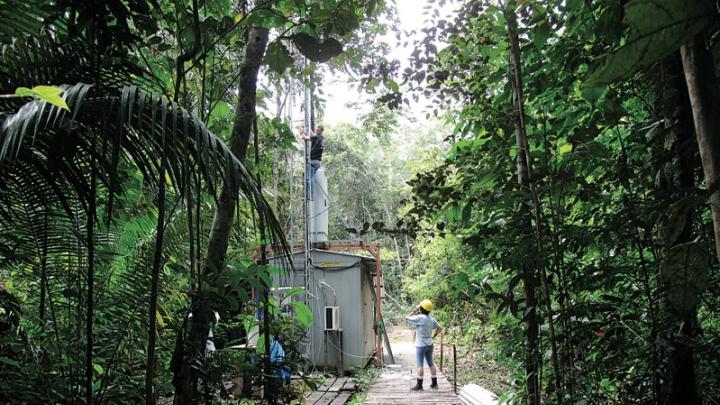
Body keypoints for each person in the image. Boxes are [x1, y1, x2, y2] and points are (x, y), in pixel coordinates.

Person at [406, 299, 442, 391]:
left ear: (421, 308)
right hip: (430, 344)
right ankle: (434, 384)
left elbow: (407, 317)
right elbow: (440, 328)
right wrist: (434, 336)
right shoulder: (431, 319)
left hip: (420, 345)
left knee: (420, 365)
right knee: (431, 363)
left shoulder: (420, 317)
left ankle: (419, 385)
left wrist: (414, 310)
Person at [300, 125, 325, 199]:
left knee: (309, 178)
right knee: (312, 178)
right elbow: (311, 137)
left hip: (312, 161)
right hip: (317, 162)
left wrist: (301, 132)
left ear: (320, 131)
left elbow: (304, 137)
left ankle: (309, 195)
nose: (316, 131)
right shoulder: (322, 139)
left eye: (318, 130)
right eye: (316, 129)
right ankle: (311, 195)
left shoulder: (317, 137)